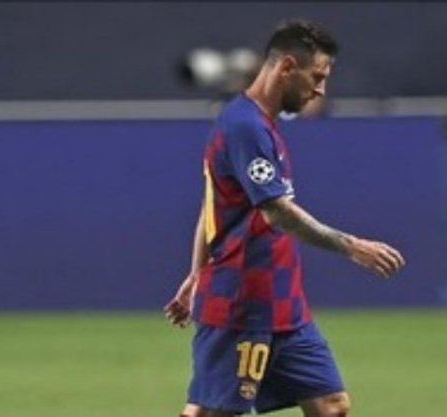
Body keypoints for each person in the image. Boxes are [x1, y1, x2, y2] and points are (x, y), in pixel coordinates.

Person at [163, 19, 406, 417]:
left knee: (331, 406)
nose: (321, 90)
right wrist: (351, 247)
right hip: (243, 302)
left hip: (283, 304)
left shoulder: (259, 123)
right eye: (318, 77)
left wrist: (195, 274)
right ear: (288, 66)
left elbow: (212, 207)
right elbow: (276, 211)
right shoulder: (245, 127)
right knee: (213, 412)